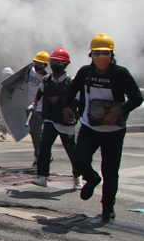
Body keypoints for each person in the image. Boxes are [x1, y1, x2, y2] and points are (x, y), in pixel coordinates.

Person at [63, 34, 142, 222]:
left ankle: (108, 207)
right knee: (80, 160)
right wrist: (66, 107)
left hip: (114, 131)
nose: (101, 57)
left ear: (112, 54)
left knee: (110, 171)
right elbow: (71, 91)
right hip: (89, 127)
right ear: (91, 55)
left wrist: (119, 112)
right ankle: (91, 178)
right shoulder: (84, 72)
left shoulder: (121, 74)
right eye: (97, 53)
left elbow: (137, 98)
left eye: (105, 53)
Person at [31, 48, 81, 189]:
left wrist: (59, 99)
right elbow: (40, 92)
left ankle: (77, 176)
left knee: (71, 150)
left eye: (57, 62)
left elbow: (76, 100)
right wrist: (33, 104)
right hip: (51, 119)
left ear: (65, 64)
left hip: (66, 121)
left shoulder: (71, 82)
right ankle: (42, 176)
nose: (54, 64)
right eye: (52, 61)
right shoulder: (47, 80)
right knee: (44, 145)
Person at [26, 51, 49, 166]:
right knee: (33, 132)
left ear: (45, 65)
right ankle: (40, 155)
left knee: (35, 130)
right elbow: (20, 80)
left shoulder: (47, 77)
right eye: (36, 62)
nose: (37, 66)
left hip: (40, 107)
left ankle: (41, 155)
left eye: (40, 64)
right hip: (30, 106)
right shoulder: (30, 71)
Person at [0, 66, 14, 140]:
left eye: (7, 75)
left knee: (8, 119)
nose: (6, 77)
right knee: (5, 119)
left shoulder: (13, 83)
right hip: (5, 103)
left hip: (10, 103)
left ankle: (7, 132)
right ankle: (5, 132)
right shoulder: (2, 83)